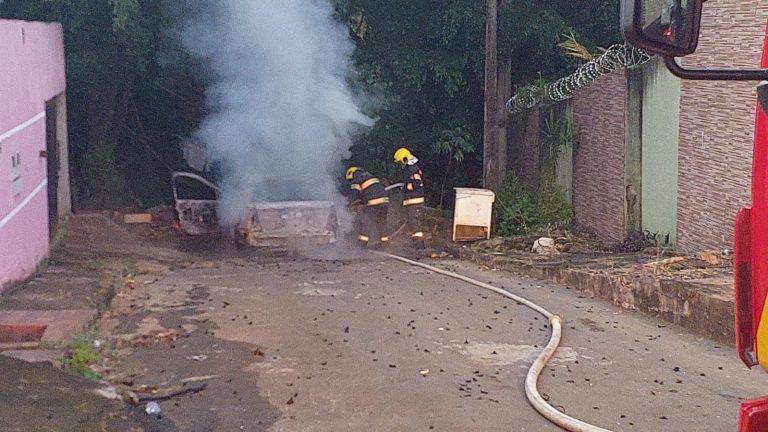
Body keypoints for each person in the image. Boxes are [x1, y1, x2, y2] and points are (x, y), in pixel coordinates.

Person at [346, 166, 390, 249]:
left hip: (374, 202)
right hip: (385, 201)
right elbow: (369, 192)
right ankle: (385, 244)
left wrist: (347, 203)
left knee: (366, 222)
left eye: (350, 180)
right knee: (381, 223)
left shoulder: (356, 176)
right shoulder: (368, 175)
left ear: (350, 174)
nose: (351, 182)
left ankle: (362, 245)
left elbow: (354, 192)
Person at [393, 147, 425, 248]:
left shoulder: (413, 168)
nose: (400, 165)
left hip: (415, 200)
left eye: (400, 162)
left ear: (405, 159)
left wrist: (405, 187)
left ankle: (419, 245)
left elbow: (417, 182)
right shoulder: (409, 169)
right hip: (411, 200)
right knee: (412, 222)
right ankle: (416, 243)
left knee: (415, 222)